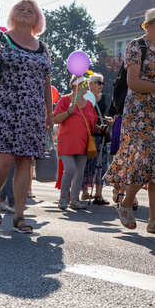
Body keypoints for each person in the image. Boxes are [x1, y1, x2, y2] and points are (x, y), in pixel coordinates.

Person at [0, 0, 53, 234]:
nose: (25, 12)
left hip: (32, 112)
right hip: (4, 108)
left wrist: (49, 112)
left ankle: (19, 215)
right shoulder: (0, 37)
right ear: (12, 15)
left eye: (30, 11)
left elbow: (46, 81)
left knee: (25, 161)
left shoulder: (42, 46)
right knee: (4, 158)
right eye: (20, 9)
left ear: (38, 19)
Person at [105, 8, 155, 235]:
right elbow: (133, 82)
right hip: (139, 114)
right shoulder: (136, 46)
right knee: (144, 161)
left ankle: (154, 220)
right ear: (147, 26)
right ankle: (126, 202)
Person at [54, 76, 97, 209]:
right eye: (83, 84)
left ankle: (74, 200)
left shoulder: (89, 103)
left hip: (83, 144)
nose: (86, 86)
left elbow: (92, 123)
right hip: (67, 143)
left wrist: (101, 128)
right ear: (75, 85)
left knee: (79, 174)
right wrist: (68, 112)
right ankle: (63, 199)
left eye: (86, 84)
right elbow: (55, 119)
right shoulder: (65, 100)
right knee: (70, 169)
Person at [81, 72, 113, 205]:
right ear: (91, 84)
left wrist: (107, 119)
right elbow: (86, 115)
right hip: (90, 135)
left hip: (102, 135)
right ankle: (84, 191)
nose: (101, 85)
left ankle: (98, 194)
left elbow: (100, 115)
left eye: (102, 83)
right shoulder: (86, 97)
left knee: (102, 164)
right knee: (88, 164)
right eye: (99, 82)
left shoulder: (103, 97)